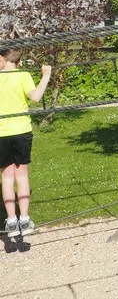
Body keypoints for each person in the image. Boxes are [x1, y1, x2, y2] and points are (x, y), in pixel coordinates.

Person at [0, 48, 51, 236]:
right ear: (19, 62)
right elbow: (36, 97)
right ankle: (25, 219)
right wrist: (46, 75)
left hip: (1, 133)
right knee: (22, 176)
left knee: (6, 178)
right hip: (21, 131)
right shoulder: (23, 74)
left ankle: (11, 221)